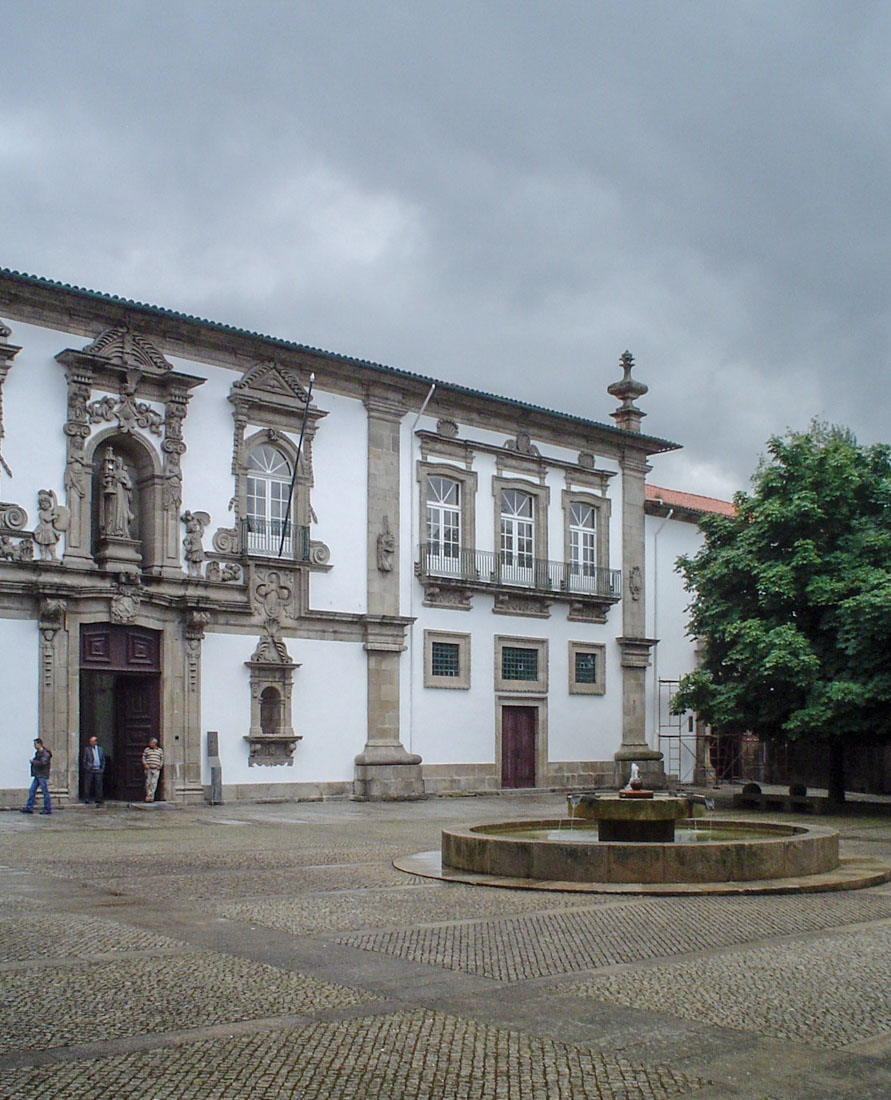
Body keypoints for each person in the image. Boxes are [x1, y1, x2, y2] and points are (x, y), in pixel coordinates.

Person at [21, 738, 52, 815]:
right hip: (37, 775)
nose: (34, 746)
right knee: (32, 790)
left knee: (45, 792)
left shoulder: (45, 754)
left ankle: (47, 809)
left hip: (42, 775)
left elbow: (43, 763)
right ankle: (29, 807)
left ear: (39, 744)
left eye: (35, 744)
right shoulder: (38, 753)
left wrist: (33, 762)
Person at [82, 735, 106, 805]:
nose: (91, 743)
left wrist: (102, 768)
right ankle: (87, 798)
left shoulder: (100, 749)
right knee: (88, 785)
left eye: (93, 741)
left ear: (96, 742)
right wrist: (86, 767)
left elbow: (103, 759)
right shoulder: (87, 749)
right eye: (90, 741)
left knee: (99, 785)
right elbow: (84, 760)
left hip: (98, 769)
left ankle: (99, 799)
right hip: (90, 769)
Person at [142, 737, 164, 802]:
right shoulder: (147, 750)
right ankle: (148, 796)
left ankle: (150, 797)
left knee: (153, 783)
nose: (150, 744)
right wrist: (145, 764)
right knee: (148, 783)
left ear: (155, 743)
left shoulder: (160, 750)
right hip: (148, 768)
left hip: (156, 769)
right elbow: (144, 757)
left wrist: (160, 766)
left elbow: (162, 759)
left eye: (151, 743)